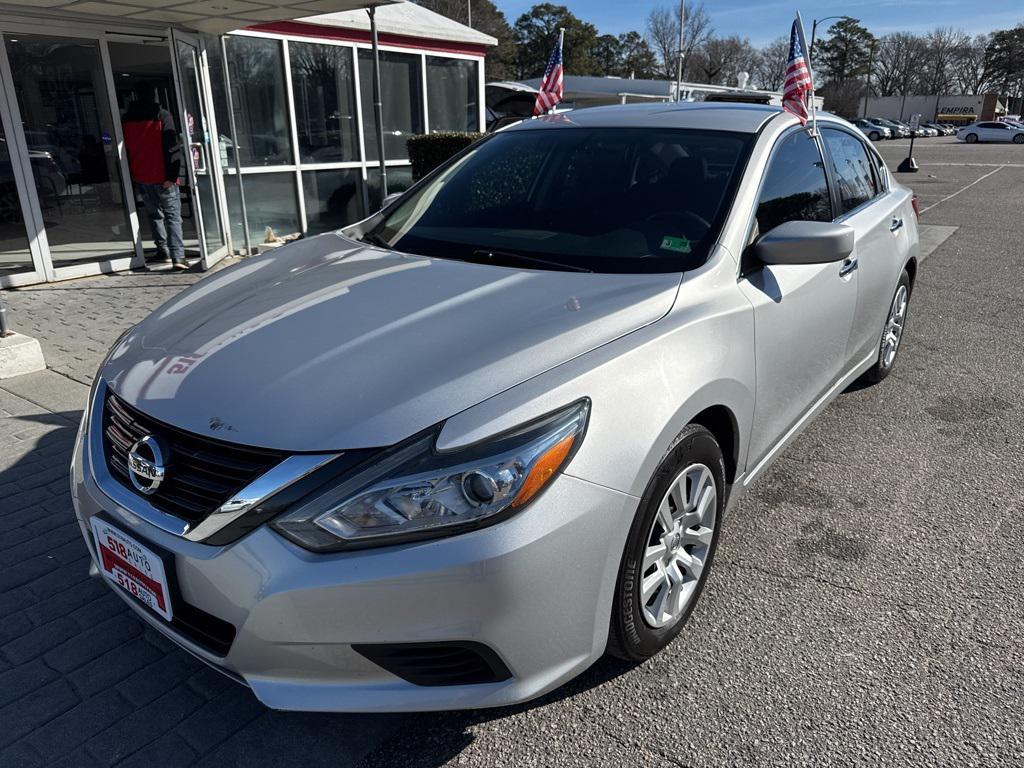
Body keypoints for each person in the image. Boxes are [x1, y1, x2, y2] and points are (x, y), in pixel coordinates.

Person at [121, 82, 187, 270]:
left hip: (141, 174)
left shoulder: (126, 119)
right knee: (172, 216)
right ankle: (178, 256)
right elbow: (172, 146)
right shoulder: (162, 115)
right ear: (154, 96)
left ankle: (163, 250)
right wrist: (172, 175)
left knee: (154, 214)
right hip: (163, 176)